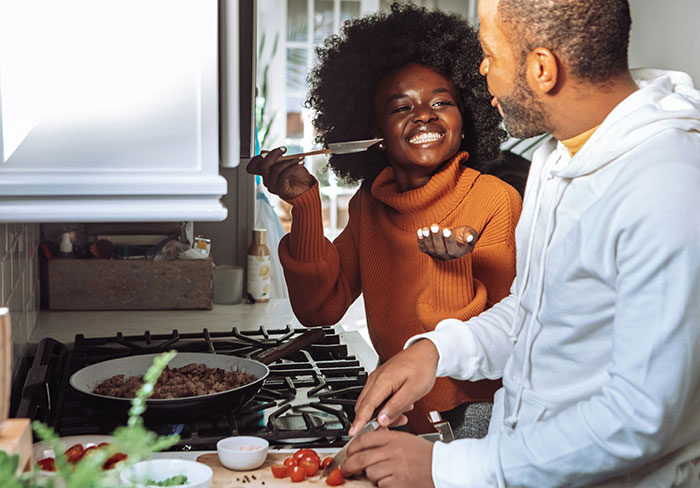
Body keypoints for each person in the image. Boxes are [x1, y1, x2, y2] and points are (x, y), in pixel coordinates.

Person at [343, 0, 700, 487]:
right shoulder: (559, 158)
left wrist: (449, 468)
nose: (481, 70)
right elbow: (540, 311)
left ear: (541, 69)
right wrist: (435, 351)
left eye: (489, 53)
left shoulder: (667, 186)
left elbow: (642, 414)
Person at [247, 3, 522, 437]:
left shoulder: (495, 200)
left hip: (474, 418)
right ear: (372, 132)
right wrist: (304, 206)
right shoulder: (370, 206)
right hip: (398, 411)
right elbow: (320, 309)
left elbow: (507, 338)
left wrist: (450, 267)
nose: (424, 114)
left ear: (466, 118)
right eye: (401, 107)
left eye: (441, 102)